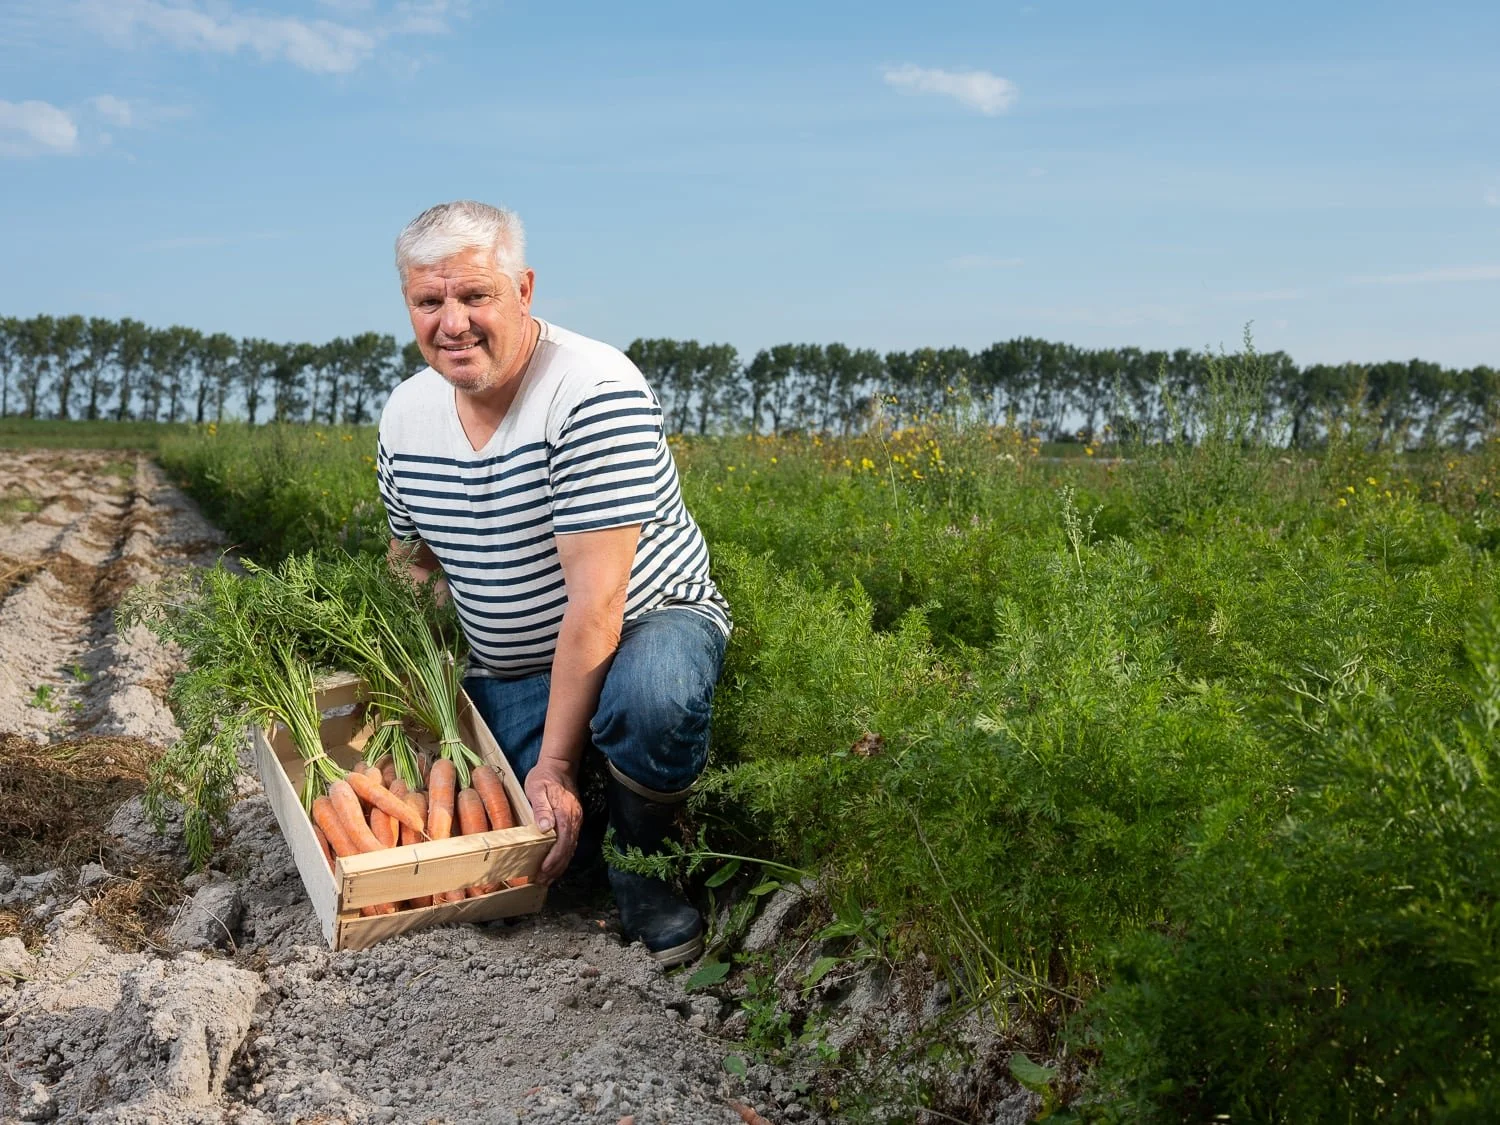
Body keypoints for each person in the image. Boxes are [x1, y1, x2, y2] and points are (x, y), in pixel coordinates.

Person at [376, 200, 731, 967]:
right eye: (429, 302)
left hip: (637, 629)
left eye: (475, 296)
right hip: (512, 669)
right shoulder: (405, 414)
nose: (453, 323)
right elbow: (411, 562)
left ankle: (643, 870)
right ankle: (587, 802)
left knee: (655, 696)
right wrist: (424, 679)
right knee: (474, 804)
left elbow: (597, 606)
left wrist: (557, 763)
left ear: (524, 289)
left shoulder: (591, 391)